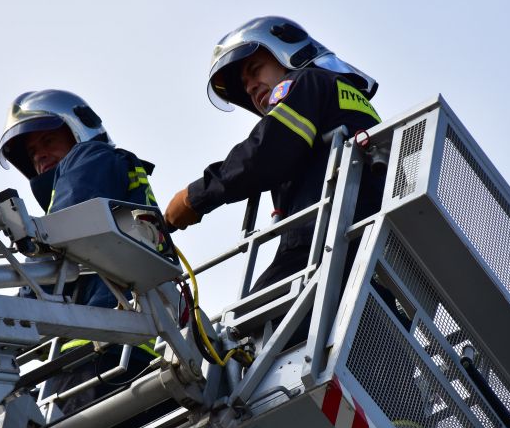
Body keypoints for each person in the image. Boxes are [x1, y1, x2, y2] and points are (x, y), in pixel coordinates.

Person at [163, 16, 385, 292]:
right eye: (245, 86)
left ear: (286, 54)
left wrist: (194, 197)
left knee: (244, 328)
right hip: (369, 249)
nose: (250, 87)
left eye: (255, 70)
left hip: (322, 241)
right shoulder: (342, 95)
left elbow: (264, 154)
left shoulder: (306, 82)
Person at [0, 90, 163, 428]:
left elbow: (57, 243)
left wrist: (5, 323)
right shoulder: (109, 169)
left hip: (100, 353)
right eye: (32, 152)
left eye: (48, 141)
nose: (40, 156)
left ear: (78, 132)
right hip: (128, 345)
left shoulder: (88, 158)